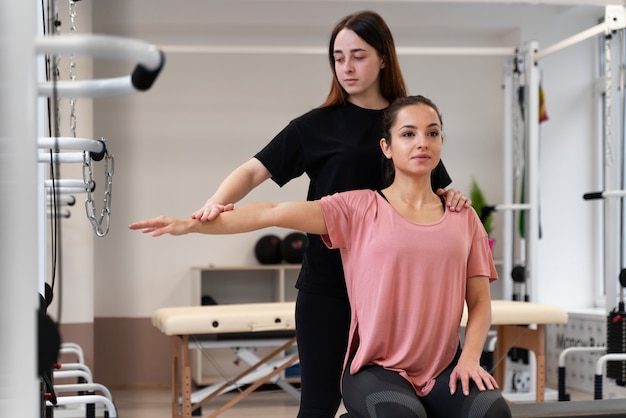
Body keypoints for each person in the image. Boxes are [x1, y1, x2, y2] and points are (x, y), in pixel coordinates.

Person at [130, 95, 511, 418]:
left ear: (442, 142)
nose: (421, 142)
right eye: (408, 134)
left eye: (432, 133)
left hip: (445, 367)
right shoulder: (358, 208)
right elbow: (270, 213)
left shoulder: (464, 217)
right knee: (399, 415)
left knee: (493, 411)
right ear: (387, 147)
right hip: (377, 368)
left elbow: (478, 304)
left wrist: (470, 359)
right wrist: (192, 223)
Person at [186, 11, 470, 418]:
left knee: (393, 405)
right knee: (318, 406)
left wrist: (454, 197)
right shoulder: (315, 126)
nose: (347, 68)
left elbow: (436, 190)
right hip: (330, 286)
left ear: (384, 58)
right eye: (338, 58)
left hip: (394, 292)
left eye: (358, 55)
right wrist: (216, 202)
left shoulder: (406, 124)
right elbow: (254, 169)